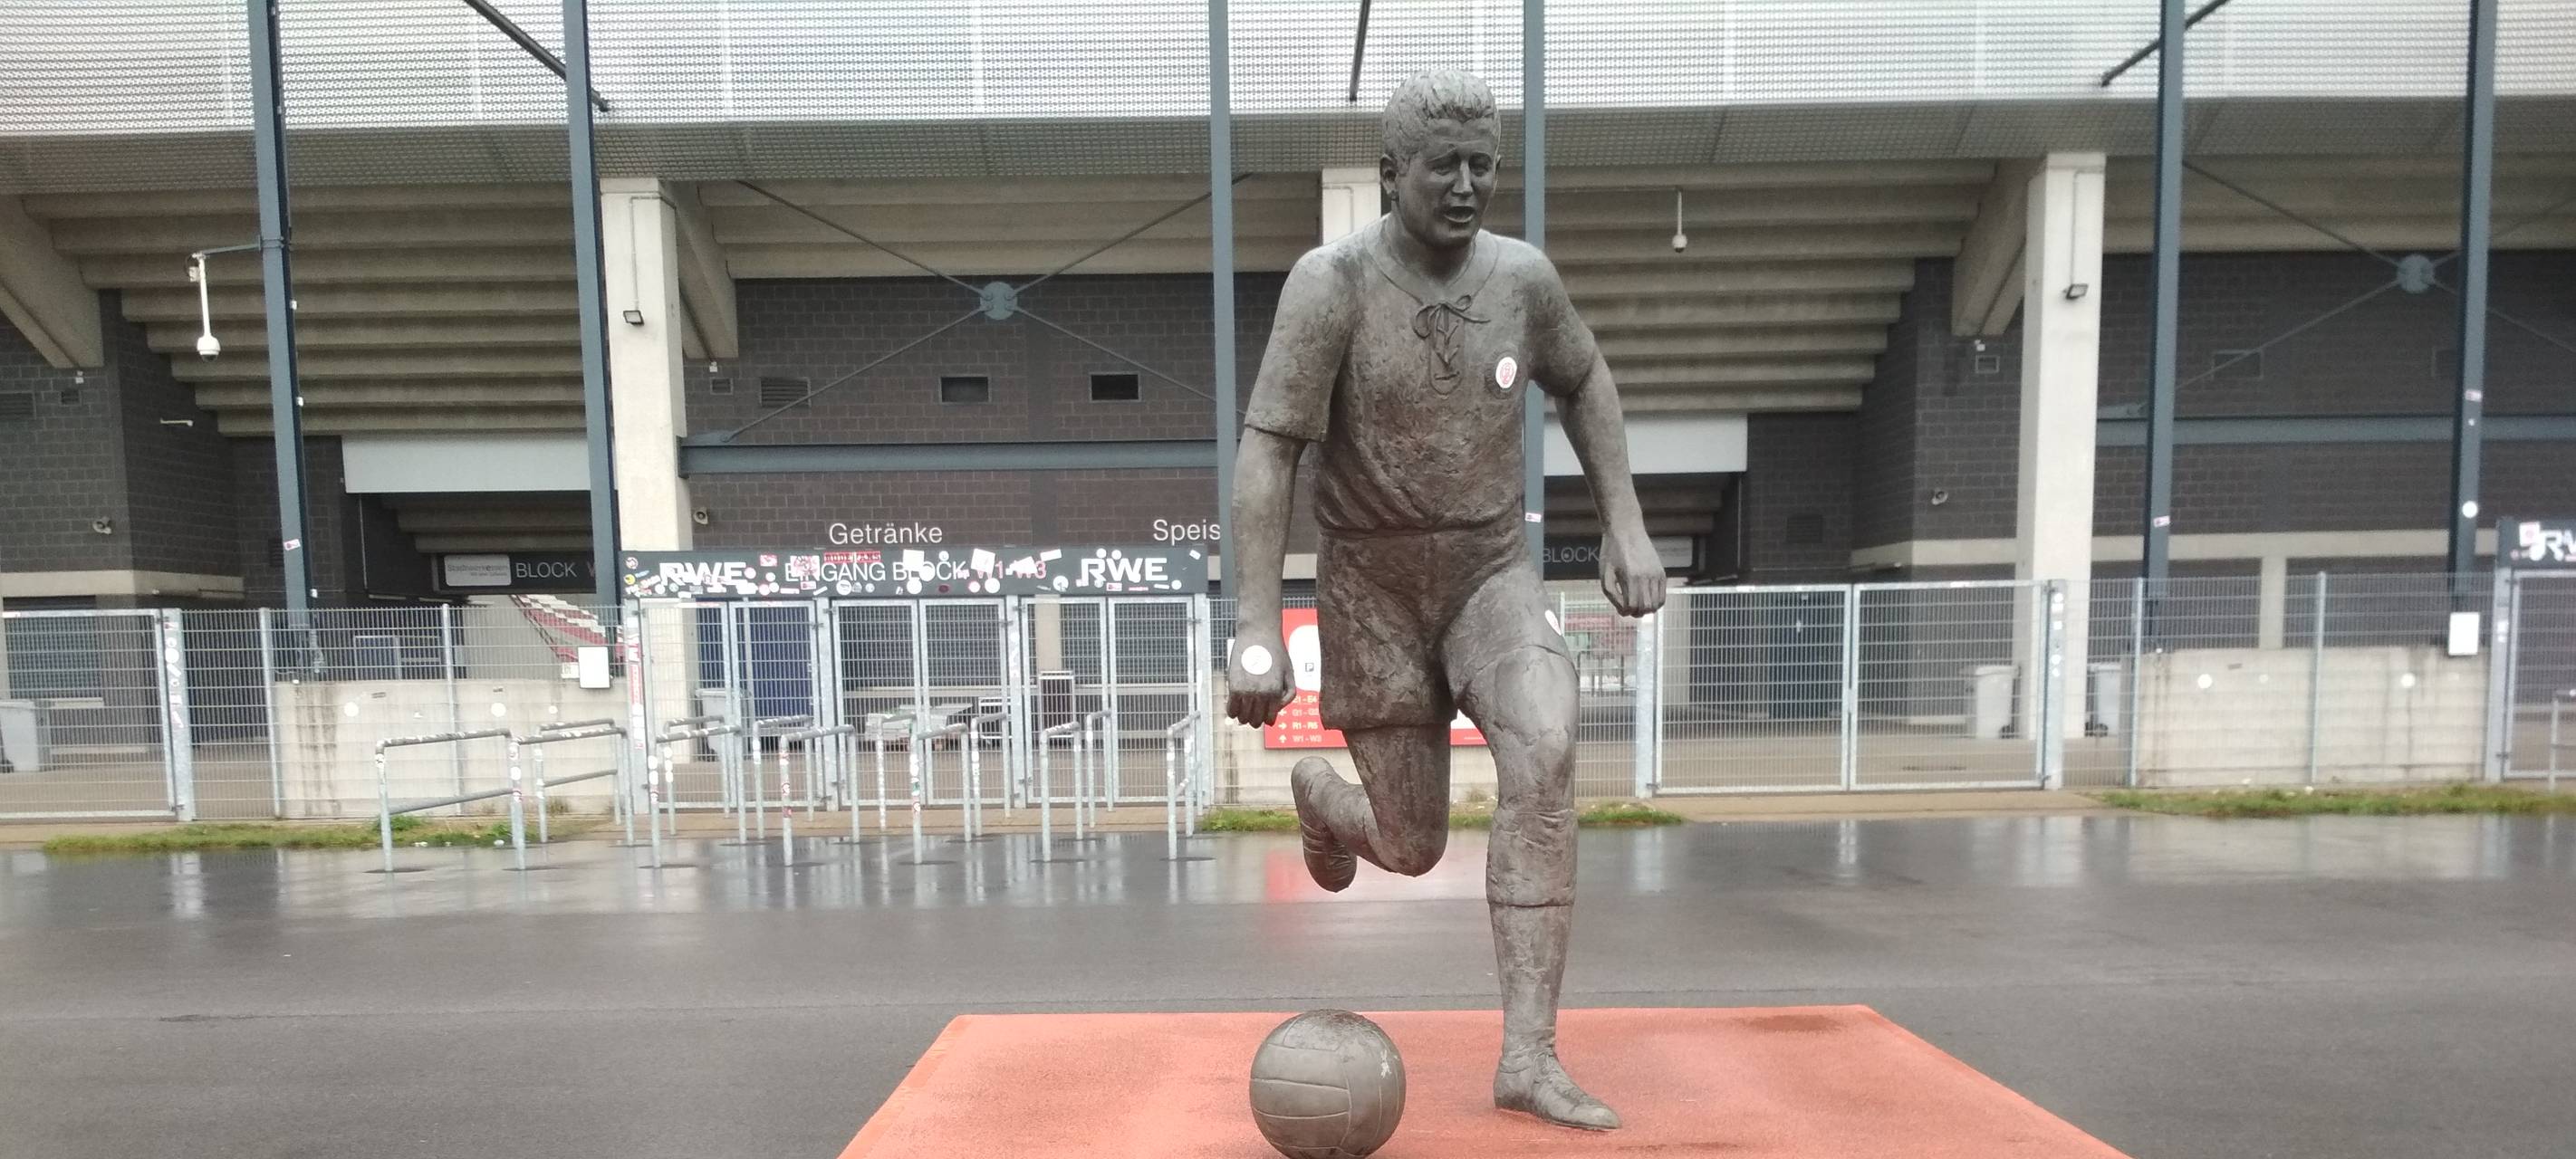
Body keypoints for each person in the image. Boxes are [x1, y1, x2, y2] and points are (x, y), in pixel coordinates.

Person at [1224, 68, 1667, 1132]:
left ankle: (1529, 1052)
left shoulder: (1523, 279)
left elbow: (1586, 380)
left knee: (1547, 745)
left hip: (1486, 573)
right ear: (1390, 174)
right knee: (1413, 841)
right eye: (1444, 166)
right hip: (1372, 583)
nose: (1467, 186)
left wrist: (1627, 520)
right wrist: (1251, 620)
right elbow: (1269, 450)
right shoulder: (1328, 285)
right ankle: (1329, 800)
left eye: (1484, 165)